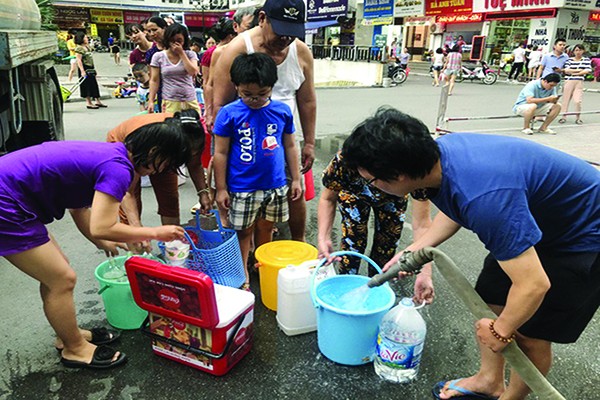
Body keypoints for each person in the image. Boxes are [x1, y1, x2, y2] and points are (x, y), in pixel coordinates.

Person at [341, 107, 600, 400]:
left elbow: (533, 285)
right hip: (529, 220)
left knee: (530, 334)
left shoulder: (486, 200)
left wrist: (501, 332)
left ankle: (511, 398)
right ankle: (489, 381)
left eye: (372, 180)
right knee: (489, 303)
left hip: (582, 237)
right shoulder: (440, 160)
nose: (370, 186)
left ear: (397, 175)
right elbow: (458, 206)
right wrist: (416, 249)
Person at [0, 124, 191, 370]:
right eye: (167, 162)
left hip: (13, 196)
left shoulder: (112, 153)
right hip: (7, 203)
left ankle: (67, 335)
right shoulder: (119, 168)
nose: (164, 170)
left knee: (58, 273)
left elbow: (79, 206)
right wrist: (155, 232)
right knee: (61, 279)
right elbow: (103, 225)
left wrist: (100, 241)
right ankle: (75, 349)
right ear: (154, 151)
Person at [212, 0, 316, 243]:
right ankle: (243, 257)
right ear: (262, 19)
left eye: (292, 34)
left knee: (294, 193)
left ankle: (297, 246)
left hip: (283, 134)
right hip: (243, 140)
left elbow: (308, 100)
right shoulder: (237, 49)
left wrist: (309, 142)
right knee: (241, 201)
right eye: (280, 32)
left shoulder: (301, 51)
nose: (286, 39)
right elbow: (220, 103)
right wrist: (219, 159)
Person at [213, 53, 301, 290]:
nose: (254, 99)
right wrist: (220, 188)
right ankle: (242, 275)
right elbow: (219, 153)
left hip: (275, 185)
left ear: (272, 87)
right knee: (243, 232)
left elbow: (291, 145)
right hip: (242, 188)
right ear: (236, 87)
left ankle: (262, 265)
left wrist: (296, 179)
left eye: (262, 94)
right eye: (247, 94)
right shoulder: (229, 113)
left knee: (267, 228)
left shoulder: (282, 111)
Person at [317, 151, 433, 283]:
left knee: (387, 244)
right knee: (353, 240)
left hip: (395, 196)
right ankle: (347, 282)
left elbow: (422, 224)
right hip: (353, 194)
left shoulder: (413, 167)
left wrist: (425, 273)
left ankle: (379, 283)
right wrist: (323, 237)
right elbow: (327, 199)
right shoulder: (347, 159)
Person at [107, 110, 210, 238]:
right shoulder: (143, 144)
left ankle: (172, 247)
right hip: (131, 148)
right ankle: (135, 252)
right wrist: (137, 228)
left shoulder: (193, 136)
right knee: (131, 209)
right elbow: (128, 193)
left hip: (162, 152)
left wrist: (203, 193)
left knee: (169, 199)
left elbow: (195, 165)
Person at [148, 23, 200, 114]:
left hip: (189, 99)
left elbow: (193, 72)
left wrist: (181, 54)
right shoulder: (158, 56)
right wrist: (151, 101)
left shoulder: (190, 54)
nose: (175, 44)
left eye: (179, 40)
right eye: (172, 40)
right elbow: (154, 80)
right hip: (170, 100)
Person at [201, 18, 237, 125]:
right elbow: (207, 82)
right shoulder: (213, 53)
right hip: (219, 101)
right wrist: (209, 110)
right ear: (231, 35)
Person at [73, 32, 108, 110]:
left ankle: (97, 100)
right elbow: (79, 60)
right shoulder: (79, 48)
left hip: (90, 67)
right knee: (86, 85)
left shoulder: (87, 47)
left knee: (94, 84)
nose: (87, 39)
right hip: (84, 68)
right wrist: (82, 71)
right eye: (85, 37)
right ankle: (89, 102)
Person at [559, 44, 591, 125]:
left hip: (579, 82)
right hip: (568, 81)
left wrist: (575, 73)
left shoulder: (586, 60)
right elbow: (566, 70)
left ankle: (578, 117)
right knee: (565, 100)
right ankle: (563, 117)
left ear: (583, 51)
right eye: (576, 50)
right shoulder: (569, 60)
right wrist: (580, 70)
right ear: (573, 51)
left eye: (580, 50)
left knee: (577, 101)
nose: (578, 52)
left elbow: (587, 70)